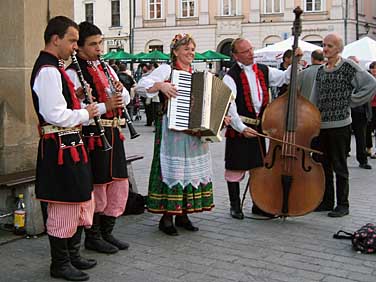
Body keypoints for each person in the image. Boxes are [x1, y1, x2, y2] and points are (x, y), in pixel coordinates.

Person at [30, 16, 98, 281]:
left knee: (79, 197)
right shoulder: (47, 70)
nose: (74, 46)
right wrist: (87, 112)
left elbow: (61, 105)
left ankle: (72, 255)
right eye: (71, 40)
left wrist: (77, 97)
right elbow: (55, 114)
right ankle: (59, 263)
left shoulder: (54, 69)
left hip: (68, 145)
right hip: (59, 147)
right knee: (64, 204)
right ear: (55, 39)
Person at [136, 33, 216, 236]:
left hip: (193, 134)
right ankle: (166, 218)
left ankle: (183, 214)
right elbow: (140, 86)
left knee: (189, 171)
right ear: (175, 51)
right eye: (186, 48)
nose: (191, 52)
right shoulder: (166, 70)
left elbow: (207, 104)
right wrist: (160, 85)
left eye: (192, 48)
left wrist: (217, 117)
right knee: (173, 171)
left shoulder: (198, 74)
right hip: (172, 132)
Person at [67, 21, 131, 254]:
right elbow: (76, 111)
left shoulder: (106, 68)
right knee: (99, 185)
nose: (99, 49)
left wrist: (119, 92)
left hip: (113, 133)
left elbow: (125, 97)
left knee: (117, 183)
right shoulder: (73, 73)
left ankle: (107, 232)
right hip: (93, 135)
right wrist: (106, 105)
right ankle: (93, 236)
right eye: (93, 44)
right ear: (80, 48)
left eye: (100, 43)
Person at [222, 38, 301, 219]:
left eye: (251, 49)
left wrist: (295, 62)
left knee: (258, 168)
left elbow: (285, 77)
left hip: (259, 128)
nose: (251, 53)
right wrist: (241, 128)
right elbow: (230, 106)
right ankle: (235, 206)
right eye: (245, 51)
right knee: (235, 167)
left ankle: (259, 204)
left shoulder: (263, 70)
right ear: (235, 56)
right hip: (240, 127)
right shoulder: (230, 77)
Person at [310, 33, 376, 217]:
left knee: (340, 166)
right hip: (322, 126)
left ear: (338, 48)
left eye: (329, 46)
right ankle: (327, 201)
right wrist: (312, 118)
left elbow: (371, 84)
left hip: (340, 125)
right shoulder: (321, 70)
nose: (325, 49)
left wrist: (352, 101)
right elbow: (315, 98)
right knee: (324, 166)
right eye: (324, 45)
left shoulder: (348, 66)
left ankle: (343, 204)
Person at [366, 61, 376, 158]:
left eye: (375, 68)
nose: (374, 70)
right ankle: (368, 148)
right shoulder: (368, 79)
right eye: (372, 68)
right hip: (369, 107)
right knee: (368, 129)